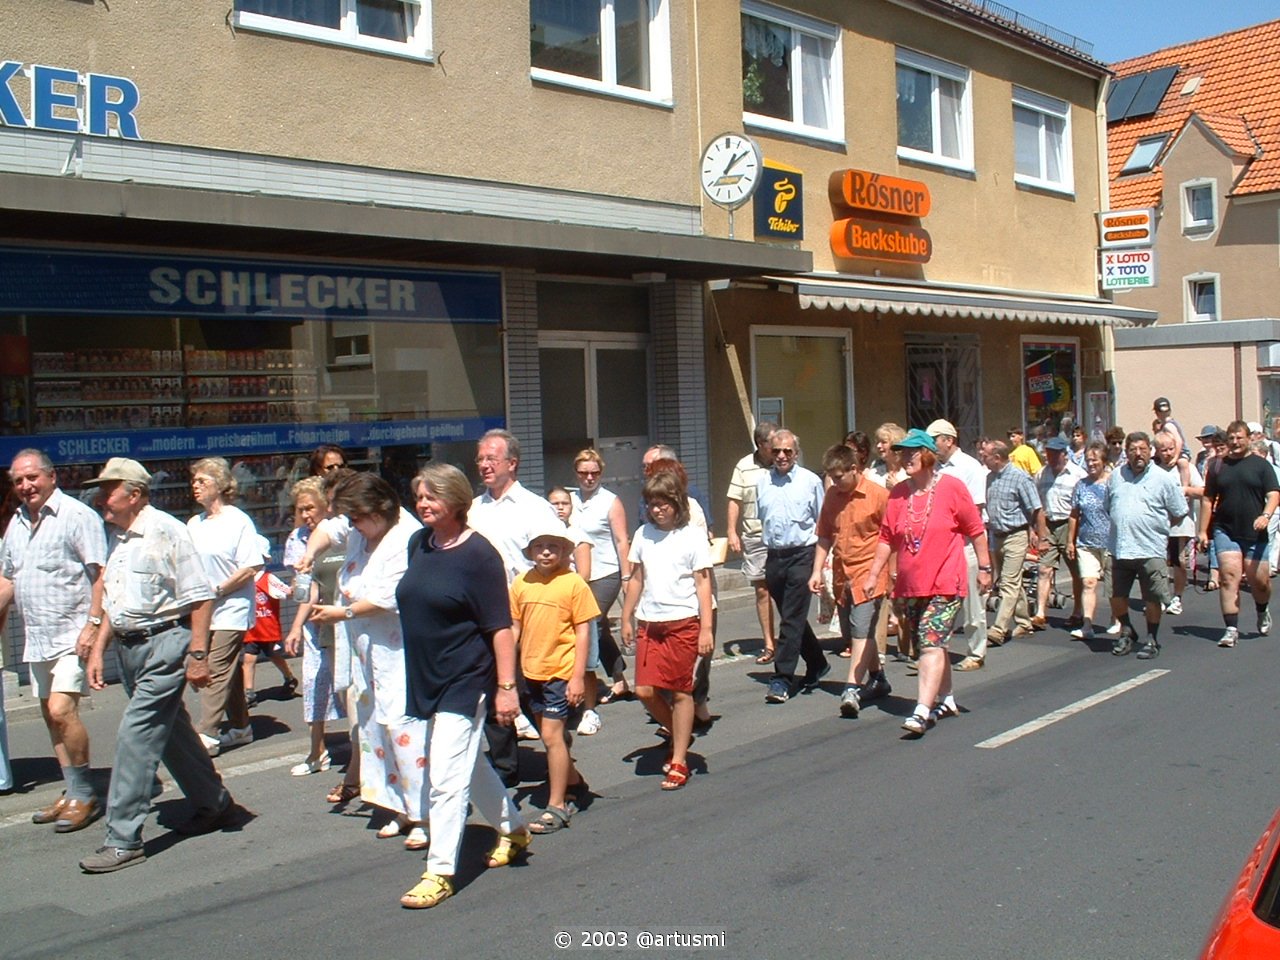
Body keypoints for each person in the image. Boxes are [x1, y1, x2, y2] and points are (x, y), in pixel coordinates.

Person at [80, 458, 246, 873]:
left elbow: (201, 597)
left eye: (109, 490)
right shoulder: (117, 537)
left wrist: (198, 655)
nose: (101, 498)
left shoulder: (167, 531)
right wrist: (99, 649)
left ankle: (123, 838)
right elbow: (114, 601)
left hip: (165, 645)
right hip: (129, 649)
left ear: (134, 495)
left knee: (135, 736)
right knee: (172, 733)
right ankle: (215, 803)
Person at [397, 463, 530, 910]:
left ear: (455, 500)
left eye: (431, 496)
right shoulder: (420, 544)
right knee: (468, 765)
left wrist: (506, 687)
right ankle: (513, 828)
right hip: (427, 675)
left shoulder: (479, 555)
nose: (422, 503)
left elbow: (500, 627)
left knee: (445, 778)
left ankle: (439, 872)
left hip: (467, 677)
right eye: (419, 496)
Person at [308, 472, 427, 848]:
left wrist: (340, 613)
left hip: (398, 649)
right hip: (365, 650)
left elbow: (388, 597)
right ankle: (397, 804)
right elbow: (329, 530)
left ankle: (423, 811)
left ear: (378, 510)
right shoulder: (360, 531)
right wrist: (309, 554)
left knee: (402, 728)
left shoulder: (405, 537)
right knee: (374, 728)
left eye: (357, 516)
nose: (352, 524)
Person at [0, 449, 107, 831]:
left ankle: (87, 795)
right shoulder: (16, 524)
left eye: (32, 477)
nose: (26, 486)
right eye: (18, 480)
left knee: (62, 710)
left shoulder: (77, 516)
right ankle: (73, 789)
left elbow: (101, 573)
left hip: (71, 635)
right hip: (38, 636)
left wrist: (93, 625)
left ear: (51, 477)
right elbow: (8, 579)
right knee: (50, 716)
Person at [864, 430, 992, 736]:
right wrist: (873, 574)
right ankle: (946, 699)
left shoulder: (952, 488)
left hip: (946, 582)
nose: (906, 458)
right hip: (911, 585)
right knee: (930, 642)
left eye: (912, 452)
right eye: (903, 453)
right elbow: (886, 538)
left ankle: (922, 710)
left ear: (927, 455)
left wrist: (985, 567)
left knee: (931, 642)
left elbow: (976, 530)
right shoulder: (898, 494)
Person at [470, 428, 560, 768]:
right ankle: (505, 766)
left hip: (527, 613)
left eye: (491, 458)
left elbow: (559, 560)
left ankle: (561, 761)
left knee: (531, 689)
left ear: (512, 463)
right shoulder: (472, 510)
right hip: (485, 614)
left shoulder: (535, 508)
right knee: (494, 685)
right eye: (480, 459)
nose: (484, 465)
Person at [620, 471, 714, 790]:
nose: (657, 510)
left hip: (683, 622)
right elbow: (637, 578)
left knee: (680, 691)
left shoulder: (692, 536)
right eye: (652, 504)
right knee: (644, 691)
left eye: (663, 504)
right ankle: (679, 733)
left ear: (677, 503)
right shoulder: (643, 534)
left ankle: (679, 760)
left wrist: (706, 629)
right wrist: (626, 616)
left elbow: (703, 583)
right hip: (650, 623)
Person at [510, 523, 599, 831]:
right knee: (551, 736)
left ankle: (557, 806)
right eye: (539, 546)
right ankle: (574, 781)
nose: (546, 552)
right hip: (529, 672)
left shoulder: (574, 584)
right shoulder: (521, 582)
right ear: (530, 551)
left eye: (553, 546)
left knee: (551, 737)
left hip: (560, 672)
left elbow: (583, 631)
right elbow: (515, 627)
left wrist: (577, 677)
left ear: (564, 551)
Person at [186, 457, 263, 756]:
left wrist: (219, 590)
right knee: (228, 670)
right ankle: (241, 727)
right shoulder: (194, 524)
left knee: (215, 668)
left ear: (219, 485)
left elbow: (251, 566)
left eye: (202, 481)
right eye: (194, 481)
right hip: (203, 610)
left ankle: (208, 732)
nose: (195, 486)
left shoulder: (237, 520)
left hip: (232, 607)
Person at [809, 443, 891, 719]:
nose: (835, 482)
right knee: (851, 631)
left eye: (839, 476)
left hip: (871, 573)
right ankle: (878, 678)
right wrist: (816, 571)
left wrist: (893, 574)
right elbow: (824, 535)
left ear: (854, 469)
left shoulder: (878, 495)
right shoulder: (832, 496)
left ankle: (851, 689)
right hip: (843, 575)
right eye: (831, 477)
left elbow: (892, 537)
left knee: (861, 631)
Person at [756, 428, 828, 703]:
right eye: (776, 451)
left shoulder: (810, 481)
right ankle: (817, 662)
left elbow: (823, 523)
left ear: (796, 453)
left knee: (789, 619)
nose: (781, 456)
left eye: (787, 451)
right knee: (792, 615)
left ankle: (782, 679)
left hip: (802, 555)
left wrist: (821, 565)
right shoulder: (763, 482)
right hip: (775, 556)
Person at [282, 477, 345, 778]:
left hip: (343, 618)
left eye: (310, 508)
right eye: (300, 509)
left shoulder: (342, 531)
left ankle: (365, 751)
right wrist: (296, 623)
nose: (305, 515)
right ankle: (316, 750)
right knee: (313, 684)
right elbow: (305, 590)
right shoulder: (297, 539)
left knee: (348, 688)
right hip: (314, 623)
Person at [1198, 420, 1280, 647]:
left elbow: (1274, 494)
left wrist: (1265, 516)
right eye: (1231, 438)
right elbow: (1207, 499)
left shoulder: (1260, 465)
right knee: (1229, 577)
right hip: (1226, 529)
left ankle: (1262, 610)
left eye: (1239, 438)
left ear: (1248, 439)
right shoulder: (1218, 466)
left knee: (1259, 582)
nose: (1235, 442)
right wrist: (1202, 531)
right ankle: (1231, 629)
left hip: (1255, 532)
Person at [1107, 432, 1187, 659]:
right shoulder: (1116, 476)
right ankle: (1127, 630)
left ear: (1150, 452)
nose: (1138, 454)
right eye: (1133, 450)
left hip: (1150, 548)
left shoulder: (1163, 478)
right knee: (1116, 595)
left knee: (1152, 597)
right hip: (1120, 547)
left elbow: (1179, 511)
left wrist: (1158, 528)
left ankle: (1152, 639)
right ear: (1126, 453)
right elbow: (1108, 507)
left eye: (1142, 449)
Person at [567, 449, 634, 718]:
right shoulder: (570, 500)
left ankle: (586, 681)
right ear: (576, 473)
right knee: (601, 627)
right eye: (584, 473)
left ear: (601, 473)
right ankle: (619, 678)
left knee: (590, 623)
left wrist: (626, 576)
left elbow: (621, 540)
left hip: (606, 572)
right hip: (578, 574)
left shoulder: (610, 501)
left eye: (594, 473)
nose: (589, 478)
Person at [927, 420, 989, 671]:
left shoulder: (969, 467)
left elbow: (975, 510)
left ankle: (976, 652)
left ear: (949, 440)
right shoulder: (933, 468)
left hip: (965, 544)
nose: (931, 445)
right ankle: (934, 652)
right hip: (940, 545)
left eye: (934, 440)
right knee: (940, 602)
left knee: (972, 603)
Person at [981, 439, 1042, 650]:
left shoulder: (1020, 478)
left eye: (985, 456)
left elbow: (1036, 508)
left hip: (1016, 535)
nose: (982, 458)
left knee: (1008, 582)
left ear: (997, 457)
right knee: (1013, 581)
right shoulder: (989, 478)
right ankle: (1024, 623)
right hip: (997, 535)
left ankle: (998, 629)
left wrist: (1038, 535)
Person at [726, 422, 779, 664]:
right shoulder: (744, 466)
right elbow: (734, 500)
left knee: (786, 590)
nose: (778, 448)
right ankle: (769, 643)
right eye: (772, 443)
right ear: (760, 444)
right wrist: (731, 531)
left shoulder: (784, 463)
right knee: (762, 590)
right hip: (755, 535)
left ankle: (792, 639)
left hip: (782, 536)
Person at [1032, 437, 1086, 629]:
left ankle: (1078, 611)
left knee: (1076, 571)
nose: (1051, 458)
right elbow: (1036, 504)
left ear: (1064, 454)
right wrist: (1035, 530)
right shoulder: (1041, 474)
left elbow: (1082, 506)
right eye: (1049, 454)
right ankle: (1040, 613)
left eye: (1055, 454)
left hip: (1069, 525)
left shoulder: (1077, 475)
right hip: (1047, 525)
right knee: (1044, 569)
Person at [241, 539, 298, 708]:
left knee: (274, 655)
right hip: (251, 628)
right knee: (249, 659)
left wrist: (296, 584)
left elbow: (287, 592)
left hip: (267, 628)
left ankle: (289, 677)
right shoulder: (242, 579)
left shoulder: (268, 578)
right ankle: (249, 693)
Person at [1066, 441, 1114, 641]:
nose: (1091, 464)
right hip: (1086, 543)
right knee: (1088, 582)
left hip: (1111, 543)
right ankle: (1087, 625)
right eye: (1088, 460)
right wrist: (1070, 541)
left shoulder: (1113, 483)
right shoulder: (1081, 485)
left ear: (1104, 461)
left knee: (1112, 586)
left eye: (1095, 460)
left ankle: (1117, 618)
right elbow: (1074, 514)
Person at [1153, 430, 1202, 616]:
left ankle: (1177, 597)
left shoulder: (1187, 468)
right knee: (1158, 562)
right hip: (1158, 524)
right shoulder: (1153, 470)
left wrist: (1185, 490)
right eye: (1163, 450)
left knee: (1178, 561)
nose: (1167, 453)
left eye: (1171, 449)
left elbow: (1203, 491)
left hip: (1180, 525)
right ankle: (1161, 596)